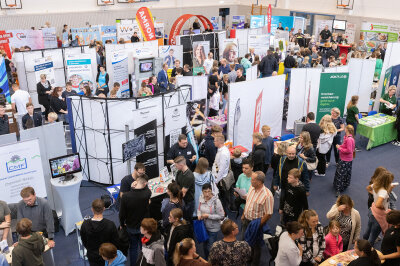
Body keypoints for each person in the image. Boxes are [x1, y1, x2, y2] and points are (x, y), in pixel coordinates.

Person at [241, 171, 274, 266]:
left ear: (259, 182)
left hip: (256, 224)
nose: (250, 181)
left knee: (256, 246)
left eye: (252, 179)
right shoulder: (252, 187)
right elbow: (248, 202)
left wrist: (258, 225)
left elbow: (269, 214)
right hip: (246, 220)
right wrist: (243, 214)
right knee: (246, 241)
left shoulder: (267, 195)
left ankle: (254, 263)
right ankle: (248, 258)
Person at [119, 177, 151, 266]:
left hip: (131, 226)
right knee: (143, 247)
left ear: (135, 183)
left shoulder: (125, 197)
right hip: (143, 226)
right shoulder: (147, 193)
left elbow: (122, 214)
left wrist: (122, 224)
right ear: (145, 184)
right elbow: (145, 188)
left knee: (133, 248)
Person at [80, 199, 119, 266]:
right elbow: (115, 242)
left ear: (92, 209)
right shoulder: (110, 224)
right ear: (104, 209)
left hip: (92, 256)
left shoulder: (85, 225)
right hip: (107, 255)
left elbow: (84, 241)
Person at [364, 170, 394, 245]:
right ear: (386, 182)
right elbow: (378, 204)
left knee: (368, 229)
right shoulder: (383, 192)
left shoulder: (375, 185)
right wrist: (384, 207)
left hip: (372, 211)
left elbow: (367, 188)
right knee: (373, 236)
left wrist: (374, 195)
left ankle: (364, 240)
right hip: (379, 216)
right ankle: (367, 249)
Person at [197, 183, 224, 259]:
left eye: (209, 191)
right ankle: (206, 261)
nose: (207, 194)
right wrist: (199, 215)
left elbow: (221, 216)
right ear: (202, 191)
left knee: (211, 248)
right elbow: (199, 209)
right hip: (204, 227)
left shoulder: (216, 201)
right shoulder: (201, 197)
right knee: (204, 246)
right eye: (205, 192)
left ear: (212, 191)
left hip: (213, 228)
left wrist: (208, 216)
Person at [333, 125, 355, 197]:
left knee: (341, 174)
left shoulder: (349, 139)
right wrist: (340, 146)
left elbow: (349, 150)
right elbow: (344, 146)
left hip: (345, 160)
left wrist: (339, 148)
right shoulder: (346, 137)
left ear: (347, 130)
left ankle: (338, 189)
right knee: (344, 173)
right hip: (344, 158)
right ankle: (343, 185)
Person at [174, 156, 196, 222]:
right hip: (182, 201)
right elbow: (176, 185)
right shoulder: (179, 172)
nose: (175, 167)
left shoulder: (189, 176)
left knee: (187, 220)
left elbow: (182, 193)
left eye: (176, 165)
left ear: (181, 165)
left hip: (188, 202)